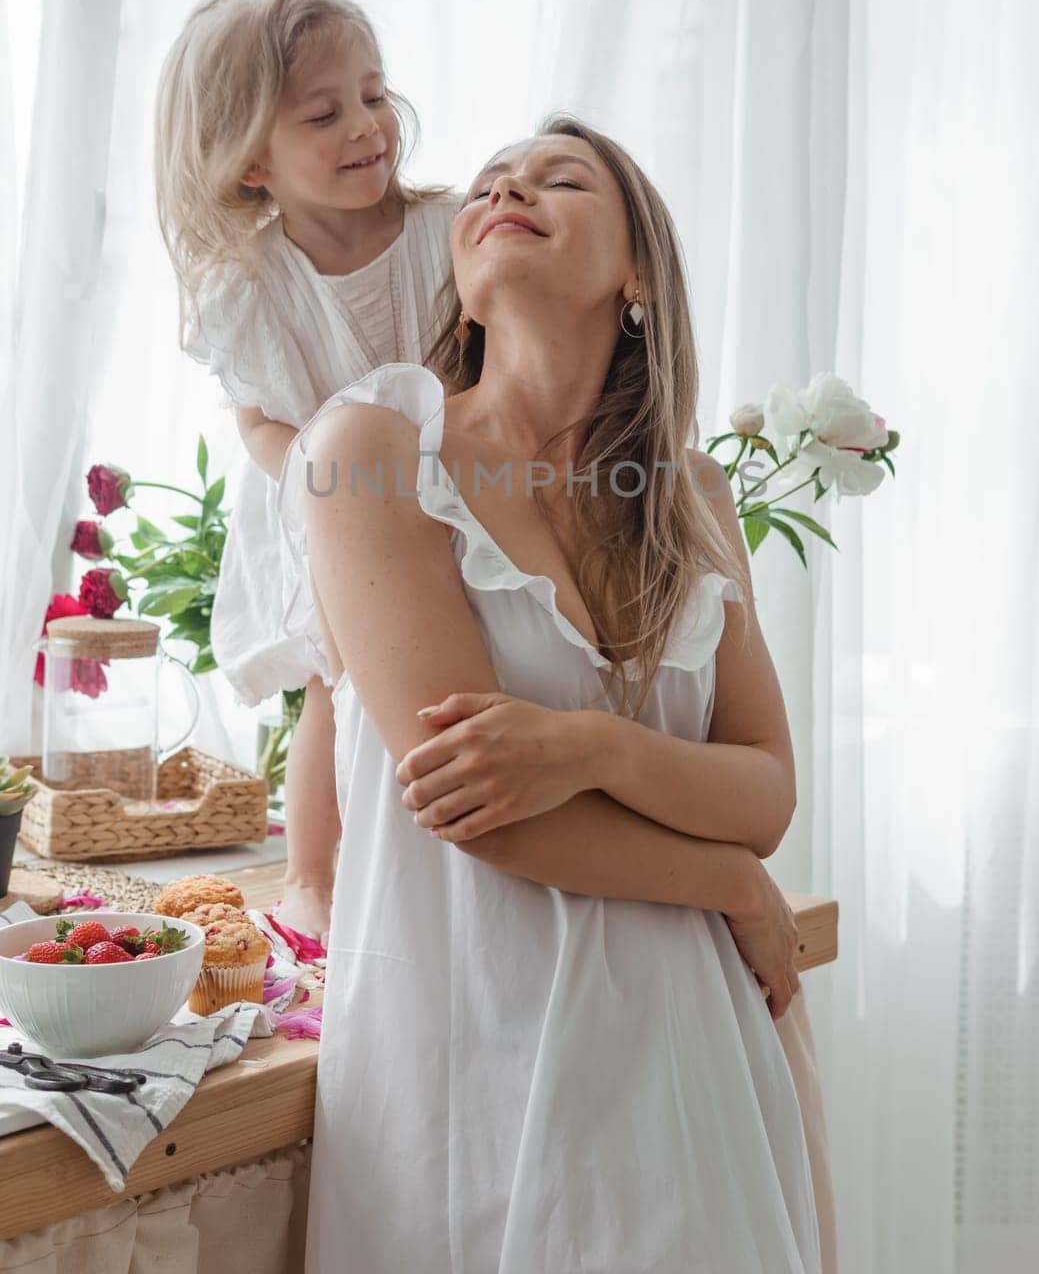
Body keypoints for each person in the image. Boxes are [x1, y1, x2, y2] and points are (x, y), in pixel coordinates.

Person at [277, 115, 830, 1271]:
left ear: (637, 275)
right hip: (471, 1056)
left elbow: (766, 789)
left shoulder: (693, 499)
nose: (507, 188)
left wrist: (591, 747)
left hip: (696, 1059)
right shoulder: (371, 447)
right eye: (488, 184)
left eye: (558, 178)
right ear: (465, 291)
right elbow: (474, 801)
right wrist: (724, 878)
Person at [154, 0, 458, 943]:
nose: (367, 125)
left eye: (373, 94)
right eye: (325, 113)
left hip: (459, 484)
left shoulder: (445, 233)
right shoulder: (248, 287)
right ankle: (313, 878)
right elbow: (256, 424)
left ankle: (438, 867)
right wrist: (345, 481)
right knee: (339, 683)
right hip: (327, 501)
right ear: (250, 161)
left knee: (458, 677)